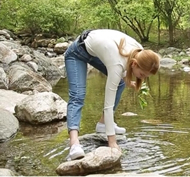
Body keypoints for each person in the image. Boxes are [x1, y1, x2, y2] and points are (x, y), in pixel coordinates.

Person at [64, 29, 160, 160]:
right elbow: (107, 105)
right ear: (135, 64)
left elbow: (124, 69)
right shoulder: (117, 63)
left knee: (120, 82)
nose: (142, 78)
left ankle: (103, 124)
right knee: (77, 96)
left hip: (97, 50)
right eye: (142, 75)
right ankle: (74, 144)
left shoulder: (141, 52)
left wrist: (128, 81)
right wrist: (112, 143)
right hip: (77, 52)